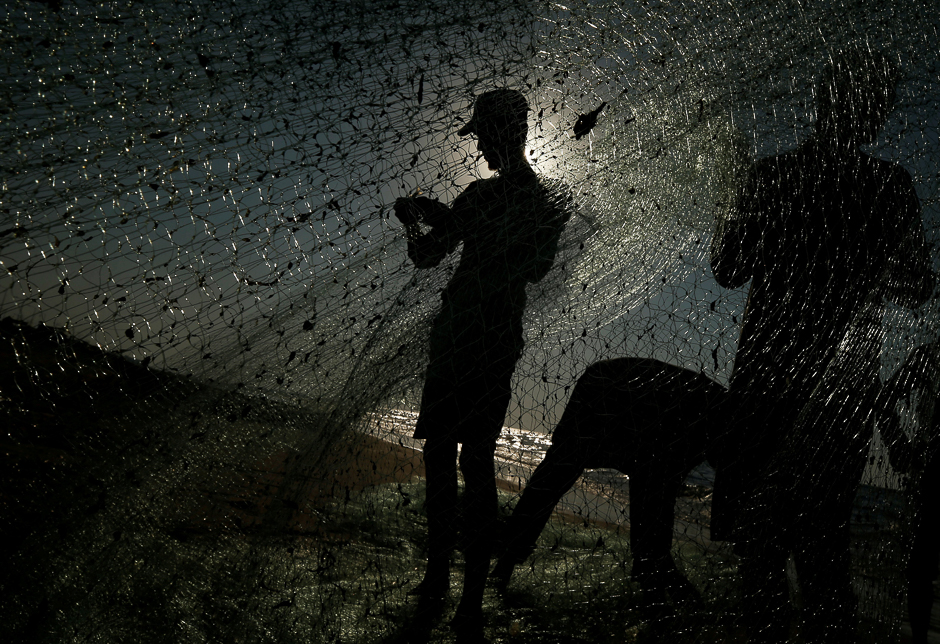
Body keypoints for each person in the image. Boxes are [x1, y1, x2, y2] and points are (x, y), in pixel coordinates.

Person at [709, 48, 934, 643]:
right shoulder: (891, 187)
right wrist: (860, 265)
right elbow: (918, 284)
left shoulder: (770, 175)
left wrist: (733, 204)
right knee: (823, 541)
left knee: (759, 544)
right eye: (878, 103)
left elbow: (729, 268)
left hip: (766, 374)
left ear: (822, 103)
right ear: (872, 114)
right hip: (844, 391)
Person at [394, 88, 570, 642]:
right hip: (488, 342)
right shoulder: (545, 203)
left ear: (503, 134)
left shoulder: (486, 199)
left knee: (451, 459)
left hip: (465, 340)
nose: (481, 151)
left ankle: (445, 582)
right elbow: (534, 266)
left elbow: (427, 255)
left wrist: (417, 220)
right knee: (471, 461)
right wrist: (437, 218)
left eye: (484, 138)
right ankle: (462, 594)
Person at [875, 342, 940, 644]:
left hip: (927, 481)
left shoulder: (931, 355)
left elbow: (885, 399)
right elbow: (885, 399)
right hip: (929, 481)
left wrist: (900, 447)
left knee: (920, 573)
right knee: (920, 573)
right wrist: (900, 447)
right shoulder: (931, 355)